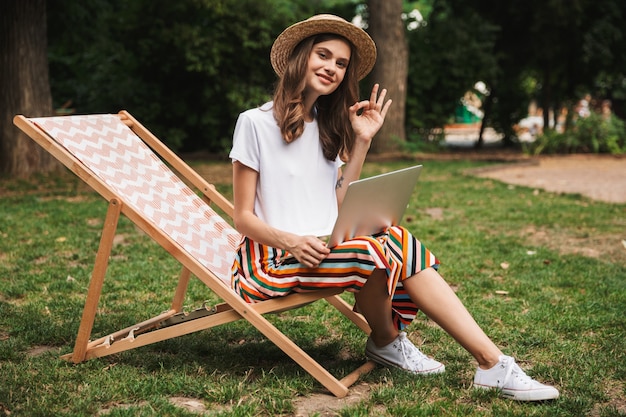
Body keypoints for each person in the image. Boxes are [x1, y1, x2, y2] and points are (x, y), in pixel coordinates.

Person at [228, 14, 559, 402]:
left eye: (341, 64)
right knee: (370, 250)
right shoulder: (254, 123)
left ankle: (492, 364)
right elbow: (243, 218)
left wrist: (362, 141)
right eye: (324, 55)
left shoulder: (328, 126)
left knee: (398, 238)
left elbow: (339, 202)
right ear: (300, 57)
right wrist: (292, 241)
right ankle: (386, 340)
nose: (332, 68)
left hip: (321, 246)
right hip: (271, 262)